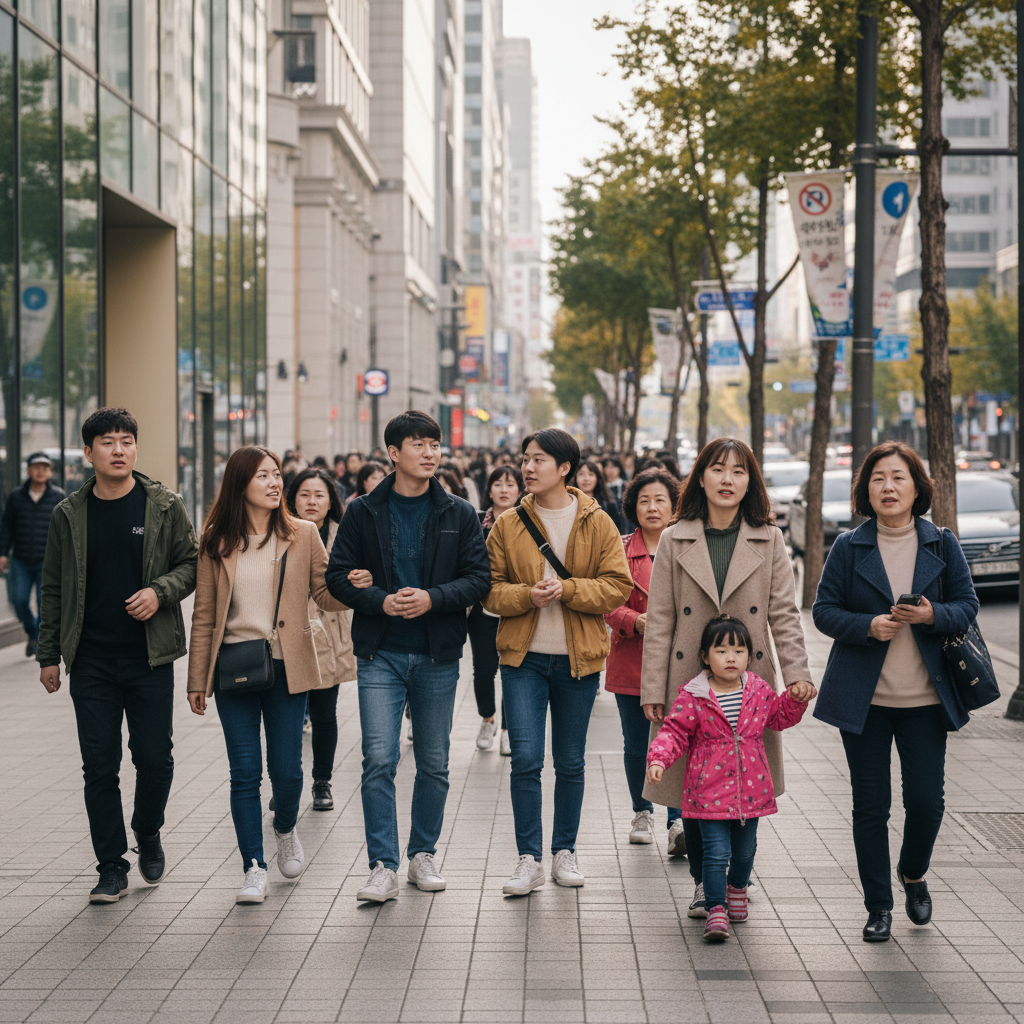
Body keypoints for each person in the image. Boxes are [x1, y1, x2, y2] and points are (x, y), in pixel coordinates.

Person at [640, 436, 813, 919]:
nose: (727, 480)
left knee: (743, 786)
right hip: (685, 680)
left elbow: (783, 613)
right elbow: (660, 619)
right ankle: (704, 883)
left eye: (738, 472)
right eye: (717, 469)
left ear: (750, 482)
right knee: (689, 793)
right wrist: (654, 688)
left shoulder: (769, 537)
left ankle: (735, 877)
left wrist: (795, 673)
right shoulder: (676, 538)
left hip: (747, 682)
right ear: (701, 477)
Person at [812, 441, 978, 943]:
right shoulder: (849, 546)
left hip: (927, 702)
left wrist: (932, 615)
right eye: (879, 478)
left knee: (927, 804)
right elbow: (824, 610)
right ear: (866, 489)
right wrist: (868, 626)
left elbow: (968, 605)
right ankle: (878, 907)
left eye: (898, 477)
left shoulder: (941, 544)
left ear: (916, 488)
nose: (888, 487)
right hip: (865, 701)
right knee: (871, 807)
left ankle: (913, 872)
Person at [325, 411, 491, 902]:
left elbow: (479, 579)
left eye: (435, 444)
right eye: (418, 444)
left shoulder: (458, 512)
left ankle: (422, 854)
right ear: (393, 453)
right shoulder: (363, 510)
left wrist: (433, 598)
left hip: (438, 653)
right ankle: (382, 864)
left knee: (435, 762)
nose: (430, 452)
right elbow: (337, 577)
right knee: (379, 757)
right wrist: (379, 600)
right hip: (380, 652)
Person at [37, 407, 198, 903]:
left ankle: (147, 829)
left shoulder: (165, 506)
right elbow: (54, 588)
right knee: (99, 766)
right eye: (107, 442)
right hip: (91, 662)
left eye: (126, 441)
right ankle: (111, 866)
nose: (119, 450)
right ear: (89, 452)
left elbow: (191, 564)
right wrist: (48, 655)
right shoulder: (68, 514)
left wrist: (160, 592)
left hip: (150, 657)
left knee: (155, 760)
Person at [186, 446, 349, 905]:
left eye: (278, 475)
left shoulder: (303, 533)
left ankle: (284, 829)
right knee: (244, 772)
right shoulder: (216, 539)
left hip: (287, 665)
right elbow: (203, 616)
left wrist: (352, 587)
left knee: (287, 772)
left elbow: (324, 593)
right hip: (234, 667)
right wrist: (197, 679)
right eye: (264, 476)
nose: (277, 484)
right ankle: (253, 866)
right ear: (241, 484)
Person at [484, 429, 633, 895]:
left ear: (565, 467)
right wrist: (527, 596)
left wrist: (567, 589)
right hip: (523, 659)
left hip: (578, 660)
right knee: (525, 759)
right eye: (525, 459)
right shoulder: (508, 524)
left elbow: (617, 586)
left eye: (539, 460)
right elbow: (489, 590)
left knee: (569, 761)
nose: (528, 468)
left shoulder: (598, 521)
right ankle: (528, 858)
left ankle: (563, 851)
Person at [646, 613, 812, 941]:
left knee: (745, 852)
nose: (731, 657)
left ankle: (737, 888)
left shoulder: (758, 691)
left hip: (749, 792)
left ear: (749, 656)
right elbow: (675, 731)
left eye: (738, 651)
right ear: (705, 658)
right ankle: (716, 906)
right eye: (721, 651)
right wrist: (659, 759)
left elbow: (778, 718)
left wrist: (795, 699)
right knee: (715, 852)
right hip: (706, 792)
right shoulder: (694, 695)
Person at [603, 468, 682, 846]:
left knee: (677, 740)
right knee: (637, 744)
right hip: (631, 659)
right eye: (644, 500)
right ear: (633, 506)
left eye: (660, 500)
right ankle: (642, 812)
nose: (652, 507)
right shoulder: (617, 550)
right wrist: (635, 621)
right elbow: (604, 602)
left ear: (674, 506)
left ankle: (678, 820)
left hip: (679, 663)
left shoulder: (687, 547)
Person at [286, 468, 372, 811]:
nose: (311, 501)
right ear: (292, 498)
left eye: (319, 495)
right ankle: (285, 781)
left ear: (331, 500)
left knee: (324, 713)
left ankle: (322, 782)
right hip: (289, 632)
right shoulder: (281, 533)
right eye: (304, 494)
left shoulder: (346, 533)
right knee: (288, 715)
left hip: (331, 632)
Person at [470, 465, 524, 755]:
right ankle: (488, 719)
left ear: (520, 490)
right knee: (483, 669)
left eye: (511, 484)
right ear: (489, 489)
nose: (504, 490)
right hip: (482, 608)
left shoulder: (528, 522)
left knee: (512, 669)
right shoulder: (476, 522)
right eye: (498, 484)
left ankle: (507, 730)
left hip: (517, 608)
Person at [0, 451, 66, 656]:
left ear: (50, 472)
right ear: (28, 471)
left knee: (43, 604)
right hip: (20, 559)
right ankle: (33, 634)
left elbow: (65, 530)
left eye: (44, 467)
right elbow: (7, 527)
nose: (40, 471)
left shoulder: (59, 497)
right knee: (18, 601)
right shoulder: (16, 496)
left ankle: (38, 642)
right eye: (36, 467)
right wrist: (2, 554)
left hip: (48, 562)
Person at [572, 458, 625, 532]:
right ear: (575, 478)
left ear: (597, 478)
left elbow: (617, 534)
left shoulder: (609, 506)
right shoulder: (569, 505)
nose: (586, 478)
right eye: (581, 474)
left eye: (591, 474)